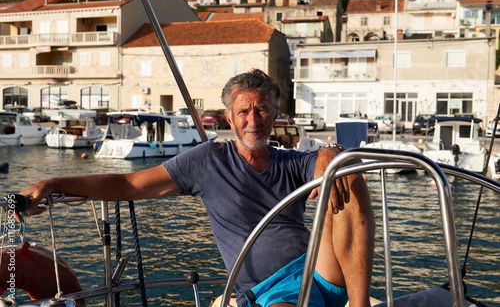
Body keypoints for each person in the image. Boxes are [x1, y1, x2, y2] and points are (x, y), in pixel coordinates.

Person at [21, 69, 375, 307]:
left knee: (348, 176)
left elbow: (324, 161)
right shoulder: (207, 161)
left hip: (320, 270)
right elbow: (130, 183)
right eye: (244, 112)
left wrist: (334, 154)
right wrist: (56, 182)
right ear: (229, 117)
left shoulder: (291, 162)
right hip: (272, 291)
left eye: (262, 110)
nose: (253, 121)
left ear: (276, 112)